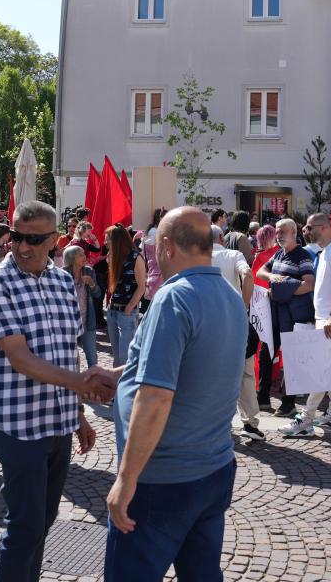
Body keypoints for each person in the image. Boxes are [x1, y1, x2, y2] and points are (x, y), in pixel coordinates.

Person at [100, 207, 246, 581]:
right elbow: (195, 364)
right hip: (213, 468)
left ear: (167, 246)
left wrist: (126, 479)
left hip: (162, 479)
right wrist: (121, 374)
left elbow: (156, 398)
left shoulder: (174, 298)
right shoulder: (231, 296)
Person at [0, 201, 107, 582]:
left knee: (43, 522)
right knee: (24, 527)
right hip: (19, 426)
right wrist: (82, 385)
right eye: (17, 237)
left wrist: (77, 413)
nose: (22, 247)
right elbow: (21, 359)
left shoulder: (62, 281)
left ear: (54, 240)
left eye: (34, 240)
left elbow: (68, 350)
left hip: (58, 423)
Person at [281, 212, 331, 436]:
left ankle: (306, 419)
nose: (306, 231)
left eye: (309, 227)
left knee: (320, 369)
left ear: (323, 227)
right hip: (329, 318)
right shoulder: (326, 252)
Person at [254, 218, 314, 417]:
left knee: (291, 358)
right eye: (277, 232)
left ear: (294, 233)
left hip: (293, 316)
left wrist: (283, 289)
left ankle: (289, 403)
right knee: (266, 353)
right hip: (275, 313)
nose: (279, 235)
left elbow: (309, 284)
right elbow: (261, 272)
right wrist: (272, 278)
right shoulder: (279, 253)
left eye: (283, 231)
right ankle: (262, 397)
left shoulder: (303, 256)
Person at [210, 225, 262, 442]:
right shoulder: (233, 255)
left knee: (213, 375)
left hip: (208, 323)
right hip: (234, 320)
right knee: (245, 373)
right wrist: (244, 305)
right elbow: (247, 274)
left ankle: (217, 423)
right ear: (222, 238)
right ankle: (250, 422)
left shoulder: (197, 257)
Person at [105, 225, 146, 366]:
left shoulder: (136, 257)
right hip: (112, 310)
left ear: (117, 240)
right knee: (117, 358)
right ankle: (117, 381)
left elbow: (141, 287)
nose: (105, 242)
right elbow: (112, 285)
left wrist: (129, 308)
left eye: (107, 239)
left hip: (126, 313)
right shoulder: (113, 257)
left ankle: (128, 381)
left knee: (126, 358)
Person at [62, 244, 101, 369]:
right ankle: (75, 379)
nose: (84, 257)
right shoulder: (62, 274)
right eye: (80, 255)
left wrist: (92, 284)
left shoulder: (89, 271)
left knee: (92, 357)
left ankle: (93, 379)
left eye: (84, 254)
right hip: (68, 322)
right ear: (72, 258)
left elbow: (98, 294)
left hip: (87, 320)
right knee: (71, 357)